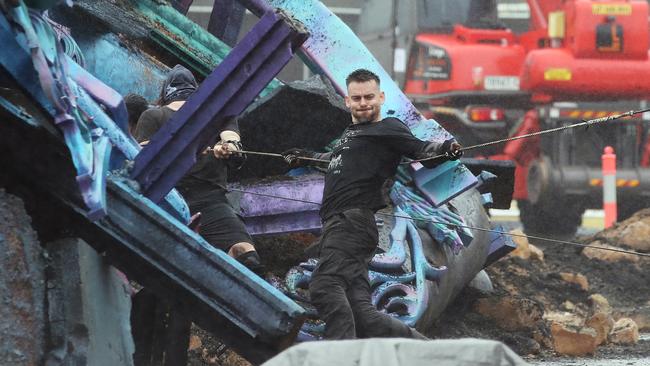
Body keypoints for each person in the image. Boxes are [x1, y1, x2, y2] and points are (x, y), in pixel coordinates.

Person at [282, 69, 462, 340]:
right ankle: (428, 352)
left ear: (381, 97)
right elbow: (335, 160)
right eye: (357, 98)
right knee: (364, 317)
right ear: (347, 101)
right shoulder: (351, 134)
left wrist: (445, 149)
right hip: (349, 226)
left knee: (324, 285)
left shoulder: (388, 128)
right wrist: (305, 157)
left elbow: (420, 149)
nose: (363, 103)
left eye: (369, 97)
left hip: (350, 223)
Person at [134, 65, 264, 274]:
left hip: (189, 202)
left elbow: (232, 143)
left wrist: (227, 148)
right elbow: (142, 154)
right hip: (173, 201)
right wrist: (189, 149)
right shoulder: (157, 116)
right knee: (244, 253)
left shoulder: (155, 115)